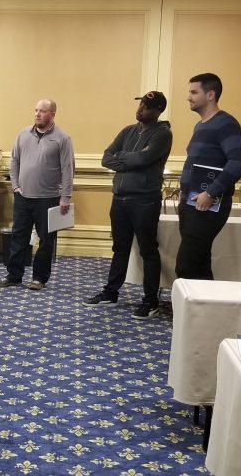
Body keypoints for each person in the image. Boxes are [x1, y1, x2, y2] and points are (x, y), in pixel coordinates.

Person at [84, 91, 172, 320]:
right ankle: (111, 293)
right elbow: (106, 158)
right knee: (120, 248)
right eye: (141, 103)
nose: (141, 108)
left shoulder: (162, 134)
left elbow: (144, 159)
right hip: (120, 199)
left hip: (145, 200)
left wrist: (123, 157)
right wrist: (131, 159)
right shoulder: (128, 131)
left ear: (158, 110)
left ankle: (150, 301)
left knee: (147, 250)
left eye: (146, 106)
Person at [0, 99, 74, 290]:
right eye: (36, 110)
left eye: (43, 111)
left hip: (49, 198)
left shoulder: (62, 138)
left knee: (46, 241)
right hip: (23, 197)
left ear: (52, 114)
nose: (37, 114)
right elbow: (14, 162)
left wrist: (65, 197)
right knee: (18, 237)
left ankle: (39, 278)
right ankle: (14, 275)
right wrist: (15, 186)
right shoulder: (23, 134)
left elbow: (68, 169)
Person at [175, 73, 241, 280]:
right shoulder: (200, 125)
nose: (188, 97)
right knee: (199, 265)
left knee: (186, 267)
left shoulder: (225, 123)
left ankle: (191, 303)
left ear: (210, 95)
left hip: (208, 205)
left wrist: (210, 192)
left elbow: (239, 162)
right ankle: (206, 302)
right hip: (190, 203)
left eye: (193, 92)